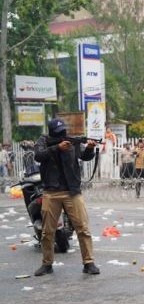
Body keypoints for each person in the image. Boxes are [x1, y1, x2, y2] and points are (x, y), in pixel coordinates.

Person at [33, 118, 101, 276]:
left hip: (72, 191)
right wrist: (57, 148)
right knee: (47, 232)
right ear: (51, 132)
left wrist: (90, 148)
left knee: (83, 229)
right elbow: (38, 156)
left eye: (63, 131)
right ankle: (47, 264)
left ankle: (89, 263)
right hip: (51, 191)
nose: (62, 134)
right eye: (58, 132)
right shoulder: (43, 141)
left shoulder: (73, 141)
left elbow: (84, 156)